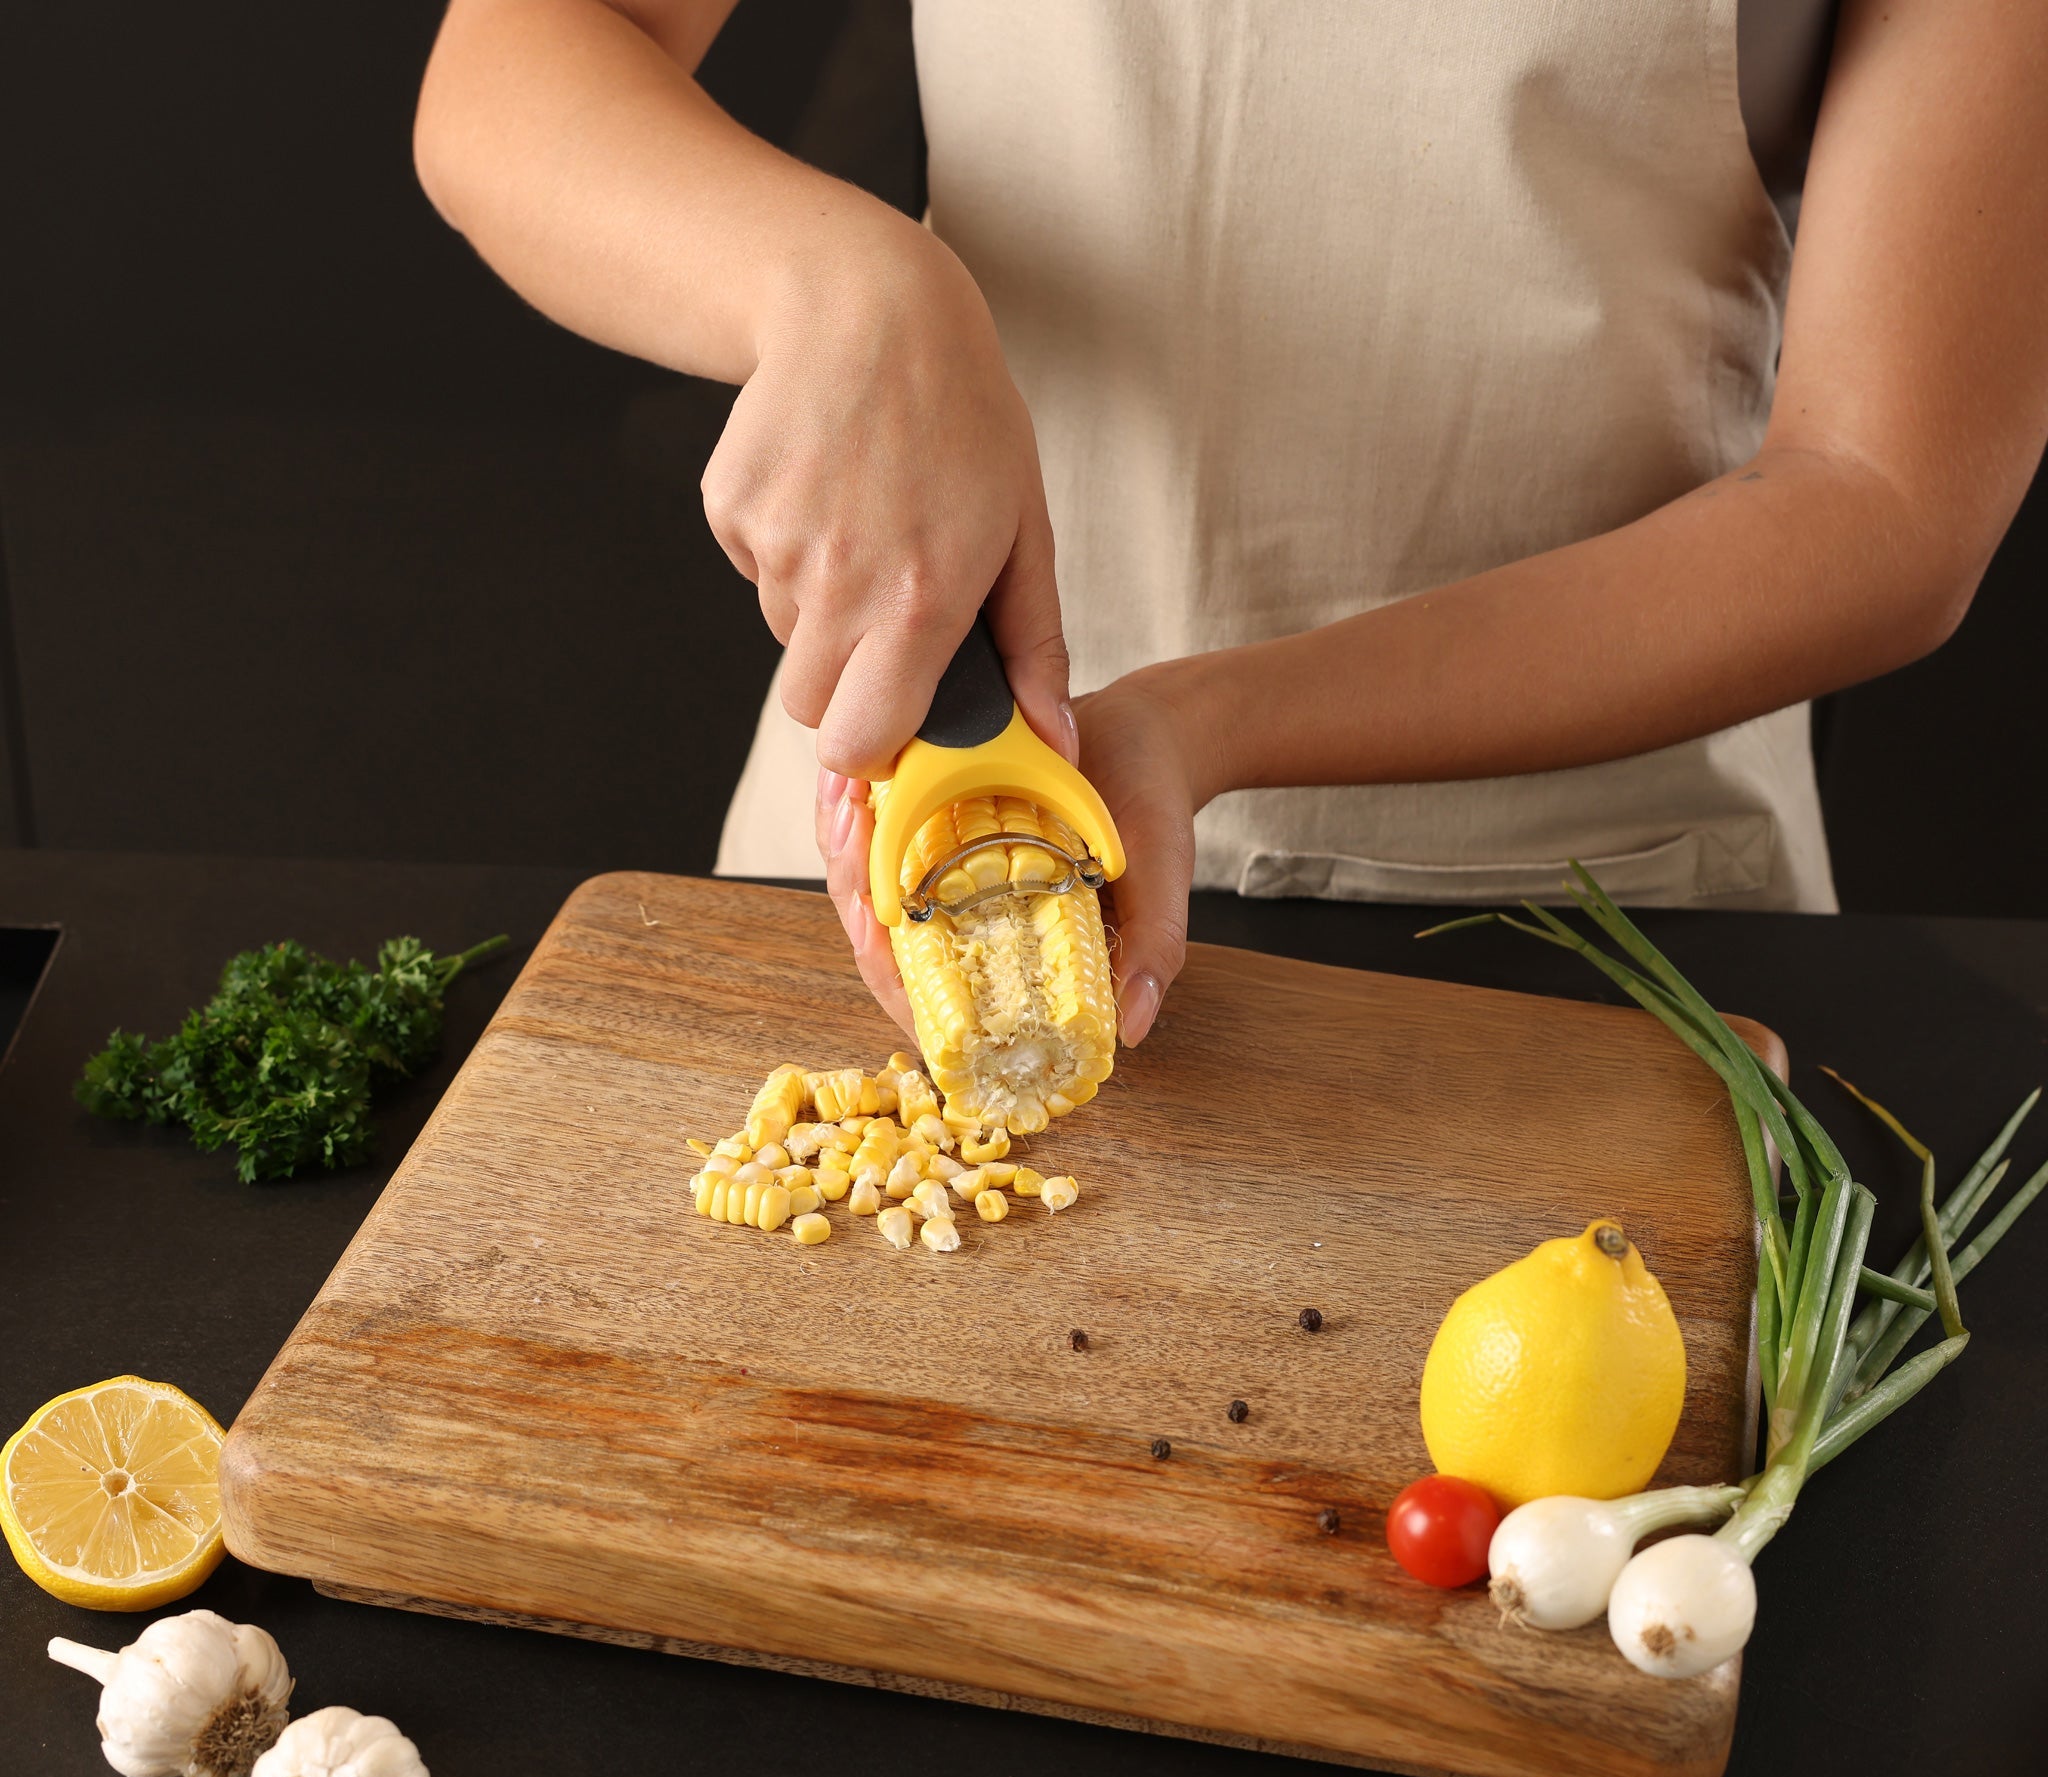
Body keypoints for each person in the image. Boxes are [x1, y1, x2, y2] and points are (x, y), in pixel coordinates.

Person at [414, 0, 2048, 1046]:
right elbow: (516, 64)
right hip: (912, 847)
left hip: (1585, 944)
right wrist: (838, 281)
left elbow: (1887, 495)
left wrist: (1208, 721)